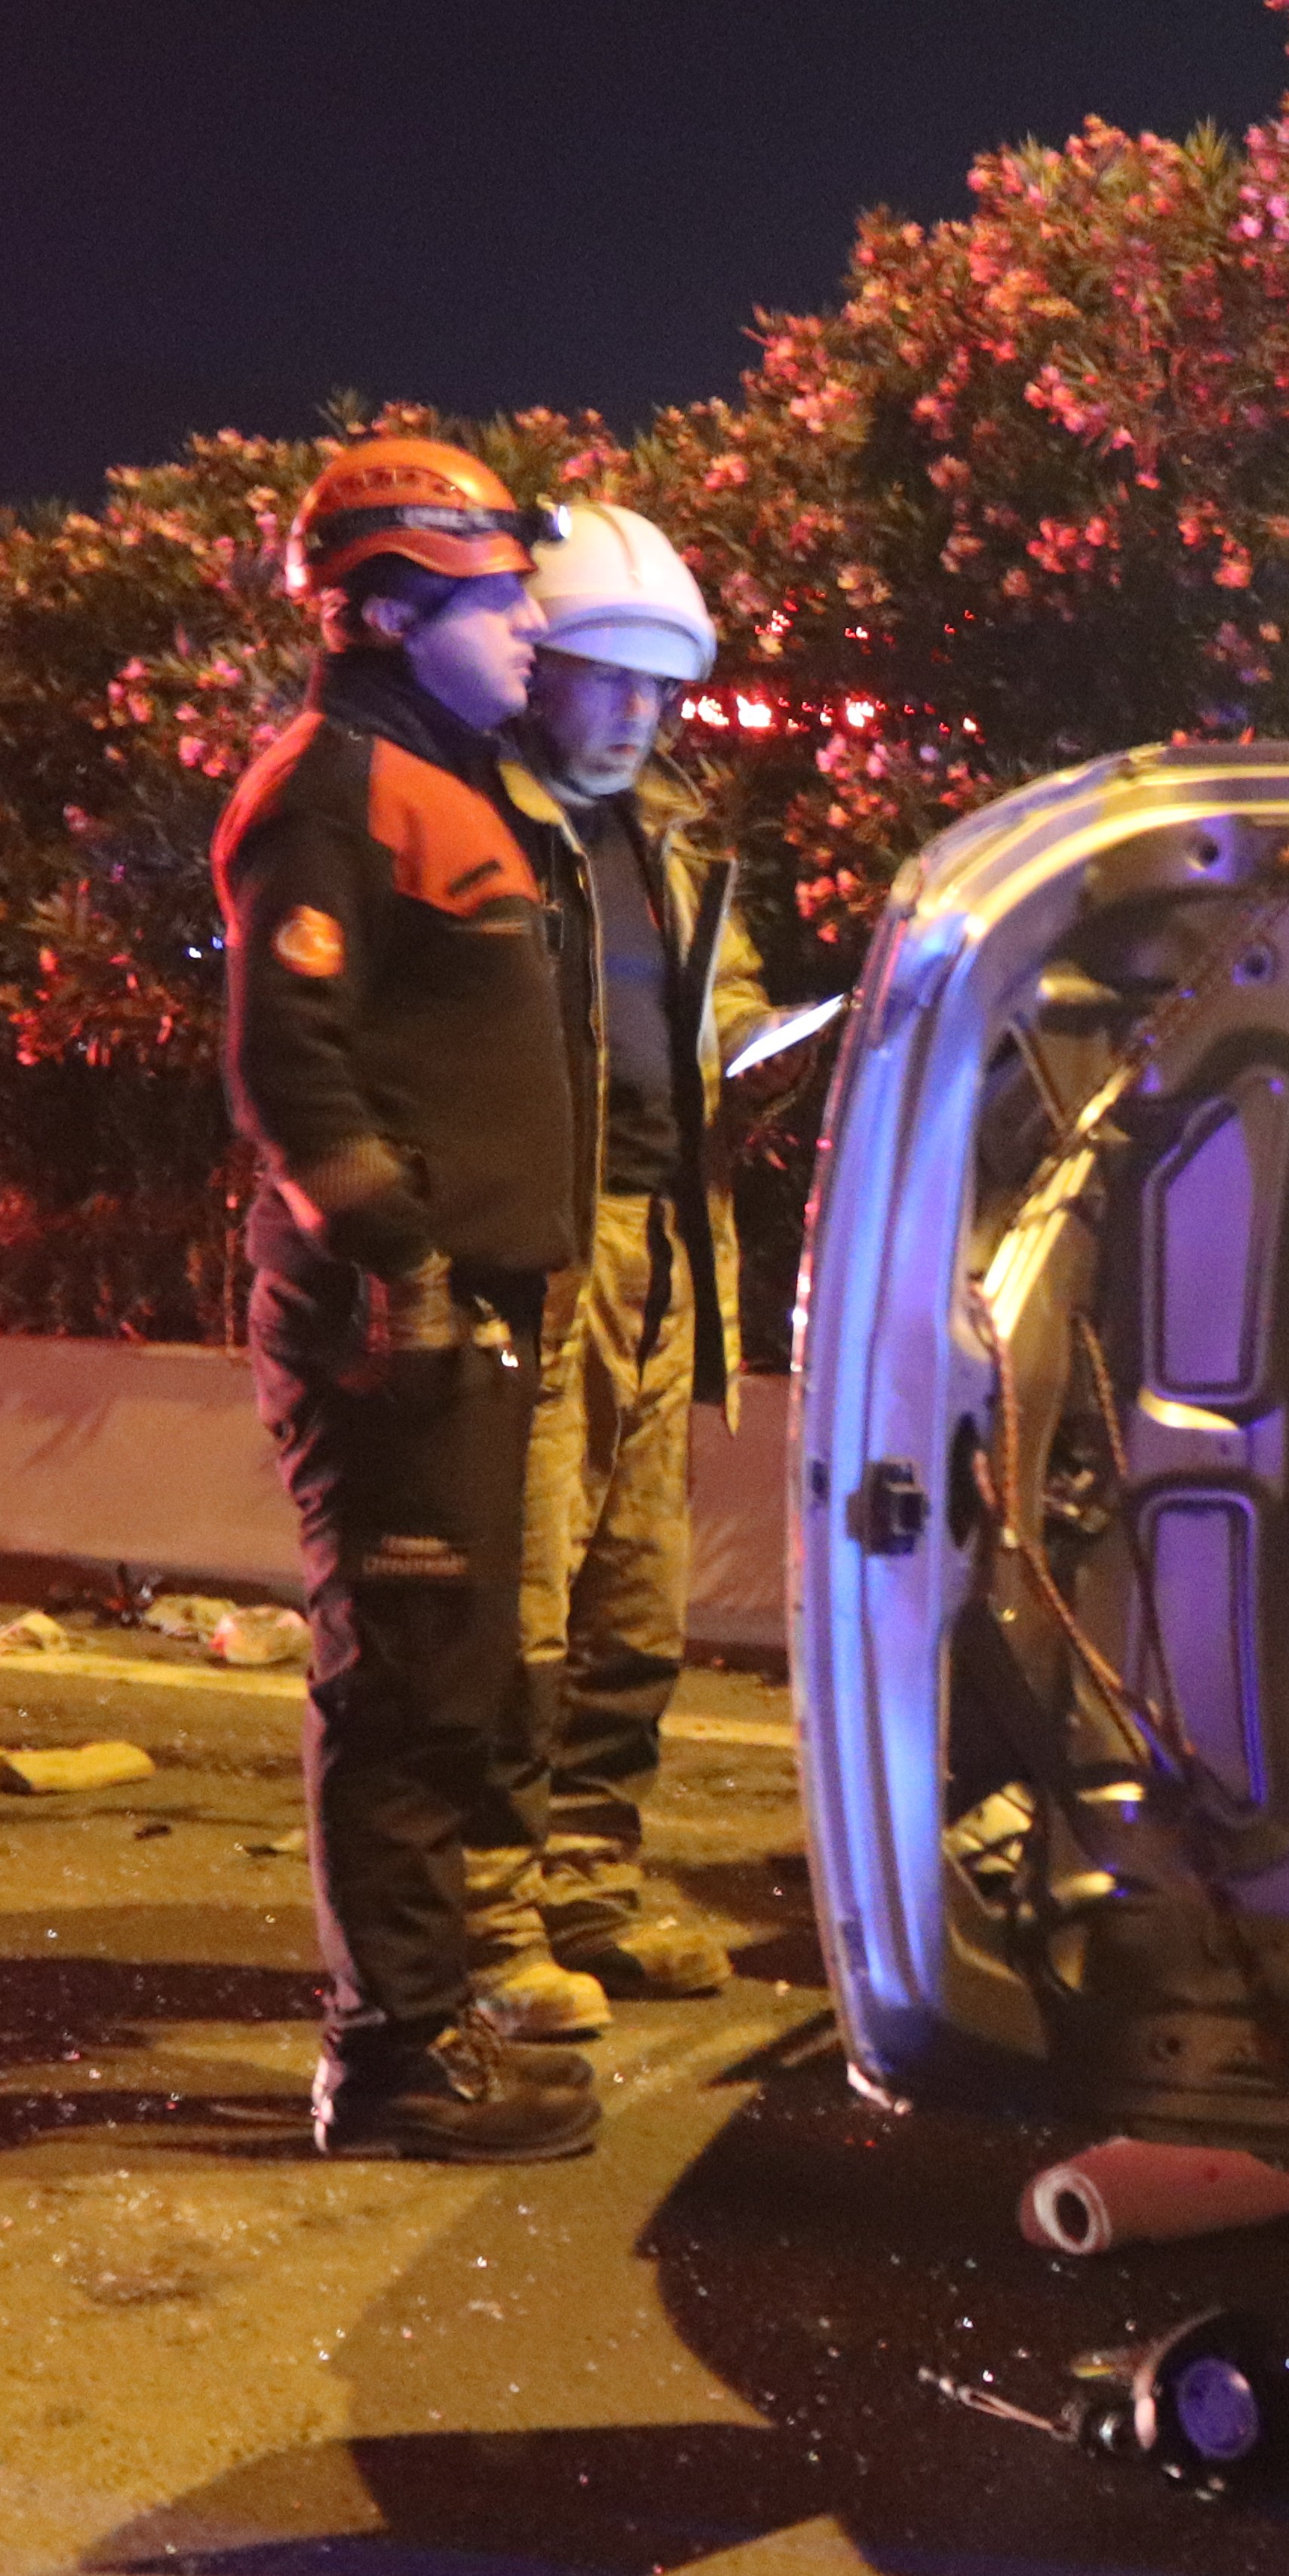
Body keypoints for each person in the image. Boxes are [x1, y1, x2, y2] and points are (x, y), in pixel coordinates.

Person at [217, 435, 603, 2161]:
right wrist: (407, 1267)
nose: (529, 633)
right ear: (384, 610)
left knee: (459, 1675)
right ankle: (387, 2059)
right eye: (499, 601)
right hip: (400, 1321)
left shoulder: (450, 782)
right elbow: (291, 1065)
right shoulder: (330, 785)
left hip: (476, 1309)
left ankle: (433, 2007)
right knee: (403, 1675)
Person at [459, 501, 772, 2039]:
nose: (644, 714)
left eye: (665, 689)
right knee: (522, 1606)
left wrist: (766, 1066)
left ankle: (589, 1884)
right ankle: (492, 1925)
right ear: (543, 665)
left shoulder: (673, 834)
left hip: (669, 1250)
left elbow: (723, 1011)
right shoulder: (476, 824)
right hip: (543, 1259)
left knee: (633, 1606)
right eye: (615, 680)